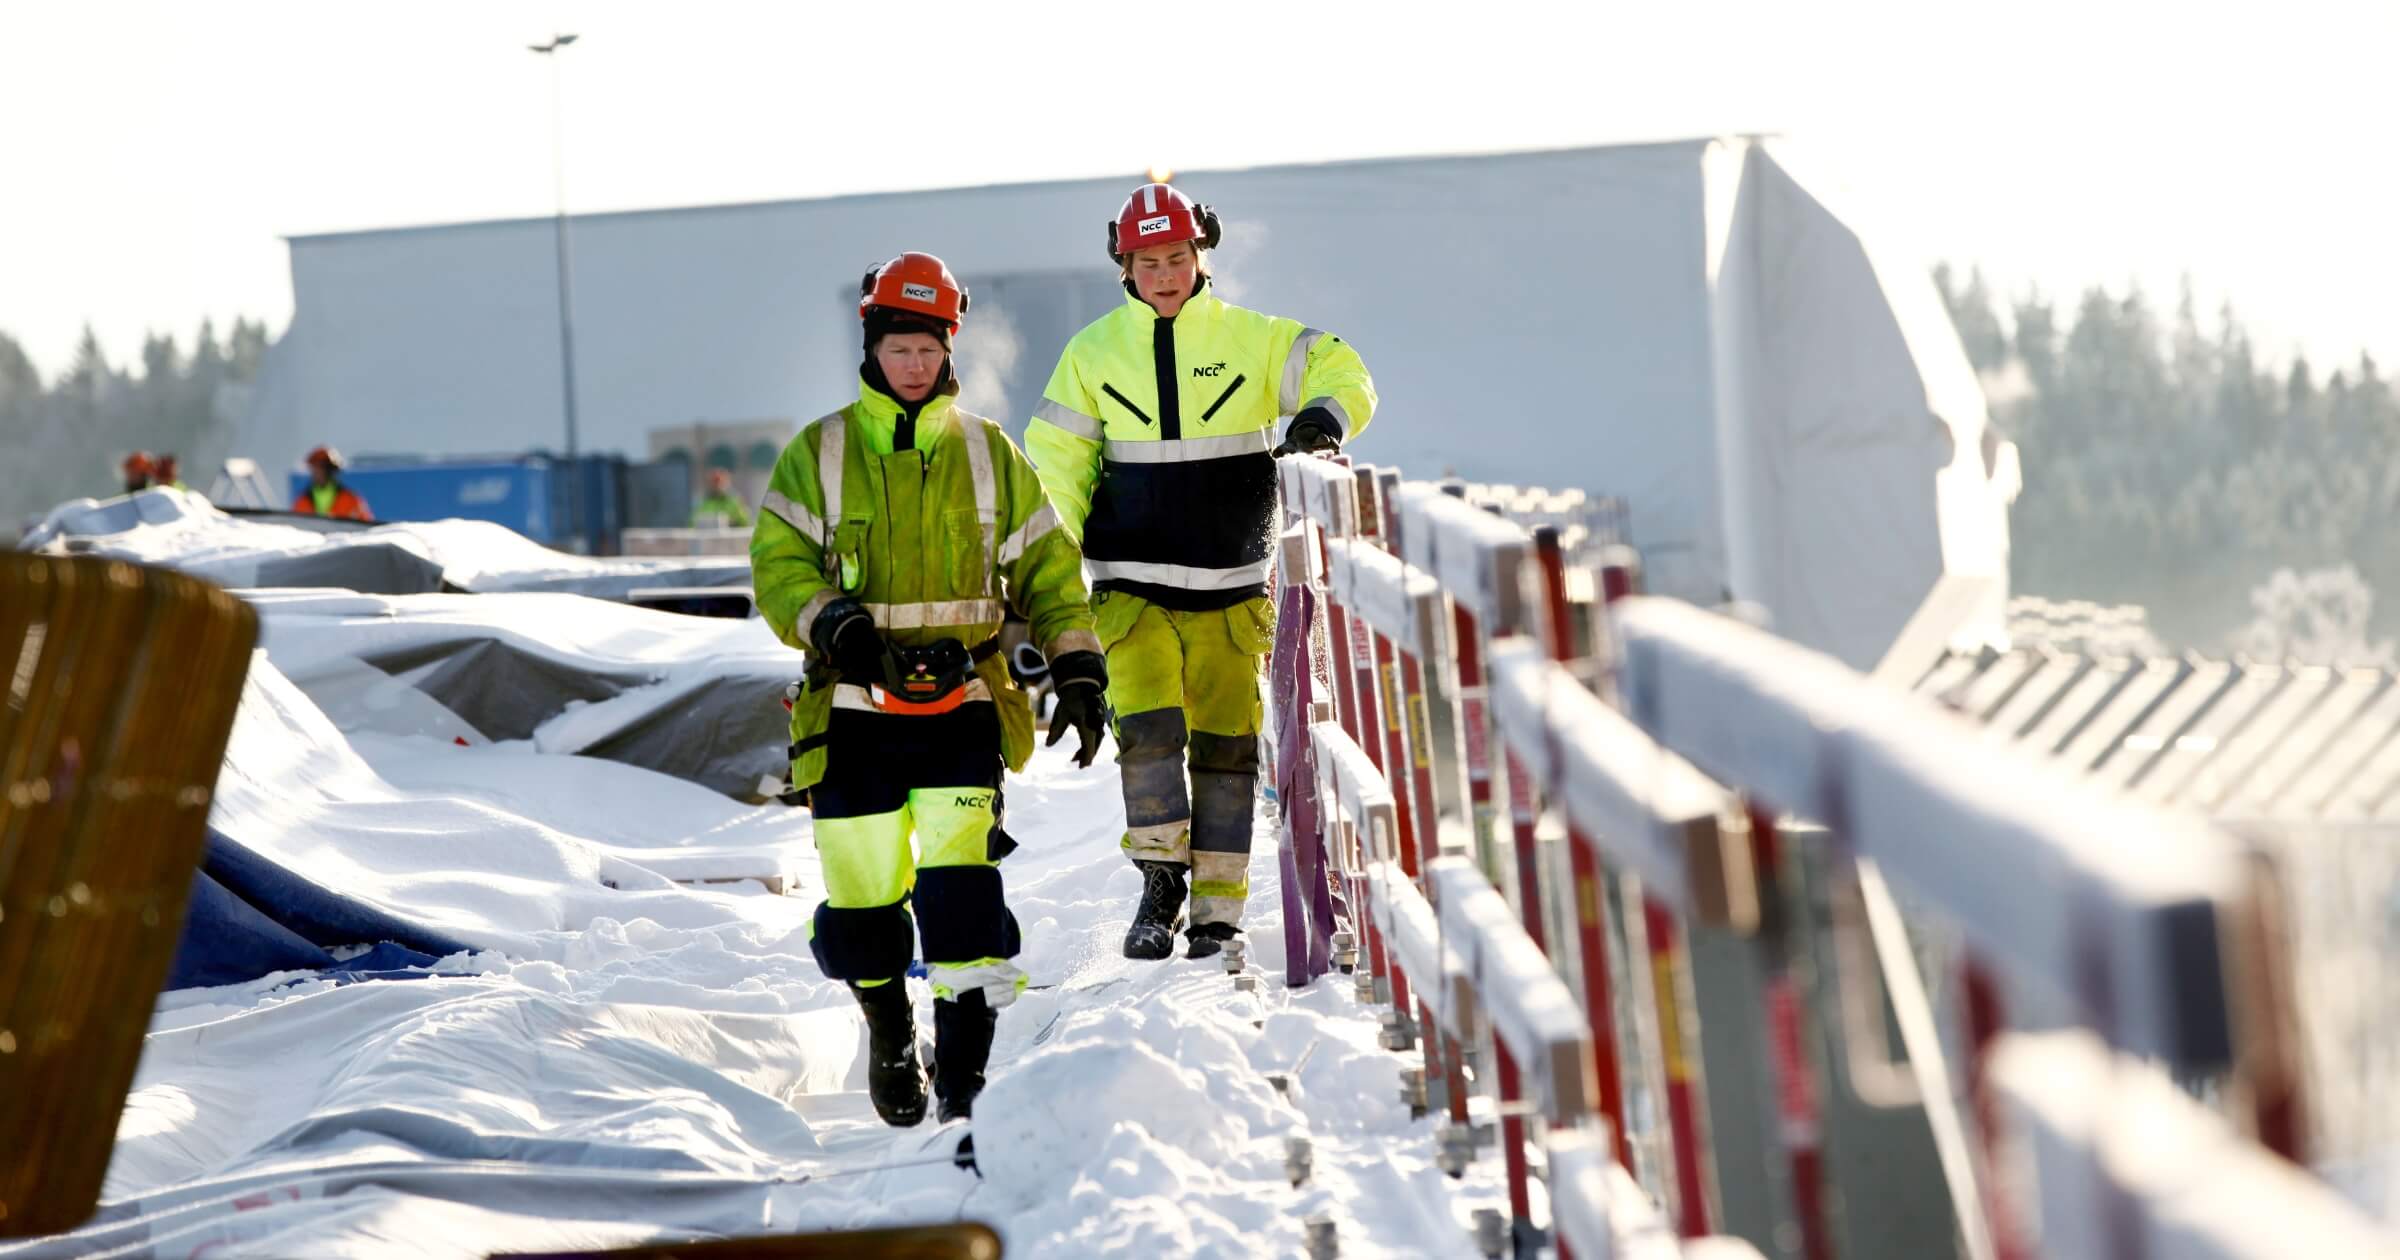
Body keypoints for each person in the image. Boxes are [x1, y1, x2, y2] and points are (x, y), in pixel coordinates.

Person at [752, 251, 1109, 1127]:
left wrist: (1079, 665)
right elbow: (777, 567)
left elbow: (1050, 573)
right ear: (872, 347)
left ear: (950, 349)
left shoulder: (990, 453)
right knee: (864, 903)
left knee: (963, 899)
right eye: (899, 347)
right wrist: (835, 623)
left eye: (928, 348)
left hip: (964, 708)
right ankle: (886, 1029)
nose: (914, 364)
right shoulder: (818, 452)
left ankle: (966, 1079)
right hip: (849, 715)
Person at [1025, 183, 1376, 961]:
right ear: (1125, 265)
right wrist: (1049, 576)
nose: (1165, 274)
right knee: (1146, 733)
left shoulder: (1253, 339)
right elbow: (1056, 468)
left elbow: (1342, 367)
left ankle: (1218, 908)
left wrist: (1319, 421)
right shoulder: (1091, 353)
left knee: (1226, 748)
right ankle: (1159, 882)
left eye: (1178, 257)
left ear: (1200, 254)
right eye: (1148, 261)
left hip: (1231, 589)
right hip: (1130, 588)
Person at [292, 446, 374, 521]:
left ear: (331, 470)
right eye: (314, 468)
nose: (316, 472)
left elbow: (366, 526)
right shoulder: (302, 501)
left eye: (321, 467)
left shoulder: (351, 499)